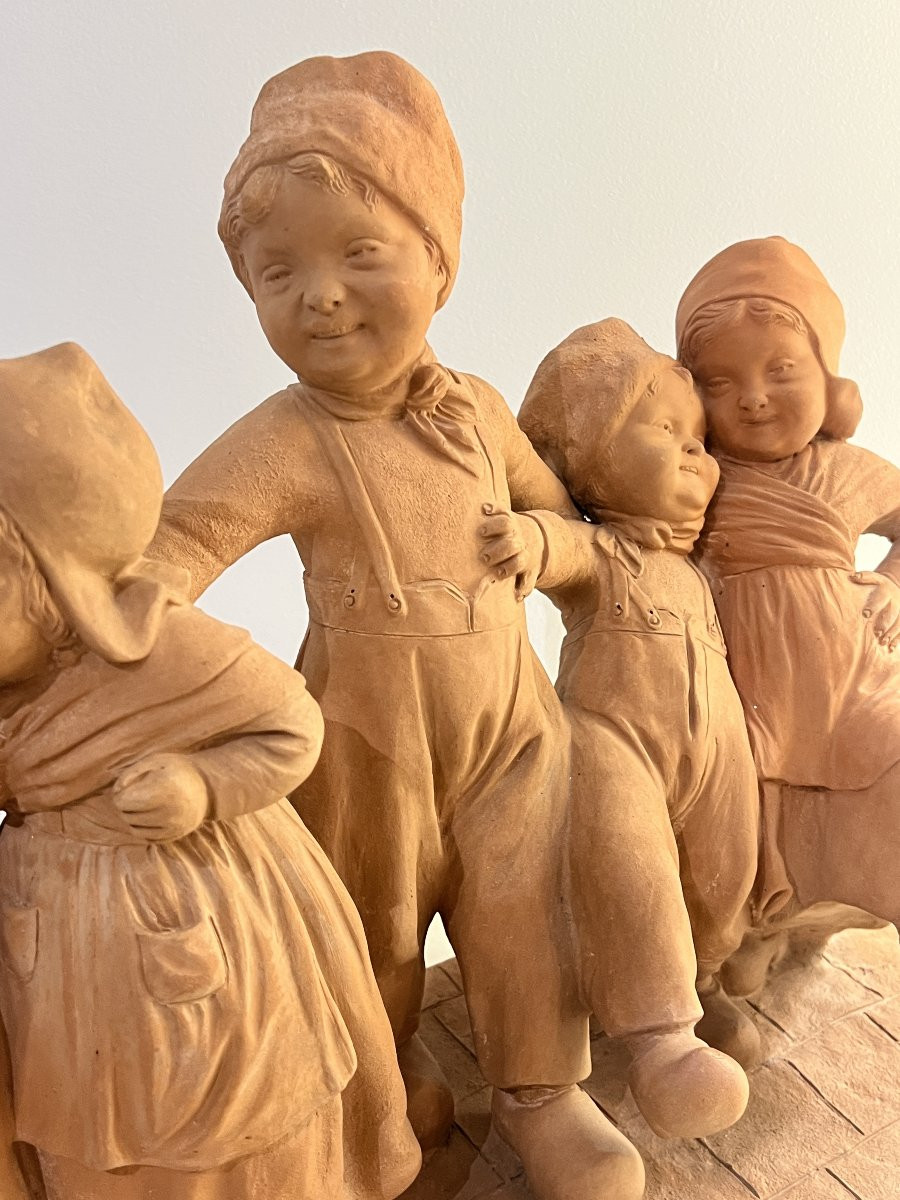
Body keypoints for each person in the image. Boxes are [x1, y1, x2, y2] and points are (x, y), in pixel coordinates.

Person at [149, 52, 643, 1200]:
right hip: (364, 741)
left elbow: (564, 521)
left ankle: (540, 1090)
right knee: (366, 923)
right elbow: (179, 546)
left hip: (509, 725)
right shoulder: (286, 434)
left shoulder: (472, 409)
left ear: (439, 261)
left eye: (359, 255)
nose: (319, 292)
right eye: (278, 273)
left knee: (526, 906)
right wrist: (115, 625)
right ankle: (382, 1090)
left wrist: (550, 551)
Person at [0, 342, 420, 1200]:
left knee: (239, 1138)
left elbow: (292, 725)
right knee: (96, 1150)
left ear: (52, 573)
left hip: (209, 937)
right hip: (61, 962)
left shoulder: (166, 652)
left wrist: (203, 789)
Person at [505, 319, 758, 1136]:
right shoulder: (604, 554)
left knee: (725, 870)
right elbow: (557, 548)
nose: (697, 454)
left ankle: (710, 976)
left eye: (702, 439)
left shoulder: (698, 566)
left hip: (716, 745)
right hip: (614, 745)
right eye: (667, 431)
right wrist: (528, 540)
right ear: (591, 460)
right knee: (633, 865)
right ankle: (662, 1038)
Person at [677, 236, 900, 965]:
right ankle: (744, 942)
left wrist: (893, 586)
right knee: (734, 833)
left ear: (830, 379)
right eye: (718, 382)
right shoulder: (695, 477)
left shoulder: (849, 472)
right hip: (742, 694)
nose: (753, 396)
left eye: (781, 370)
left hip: (854, 681)